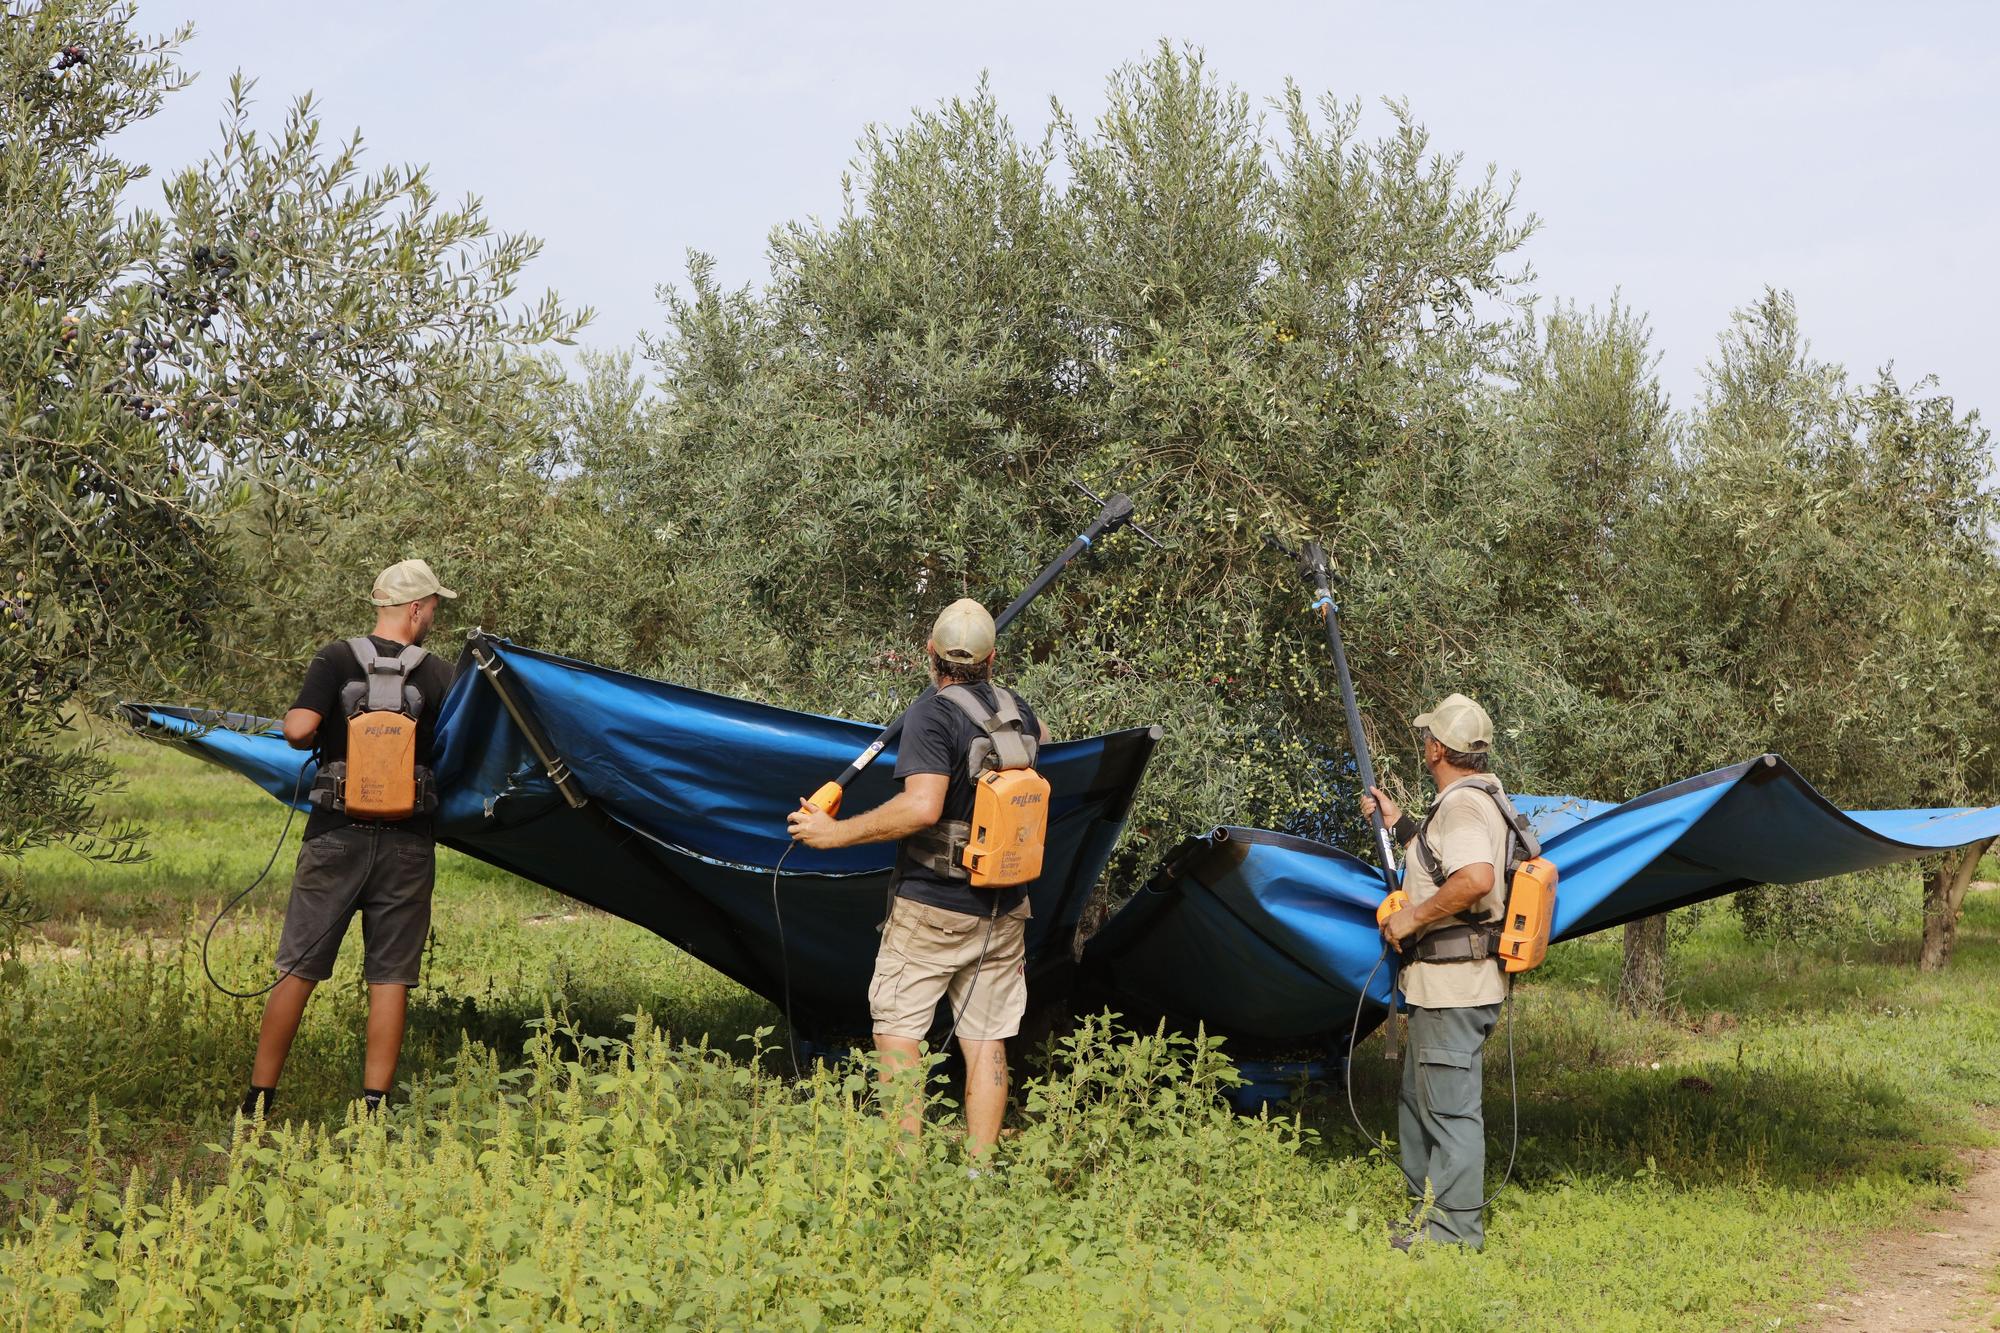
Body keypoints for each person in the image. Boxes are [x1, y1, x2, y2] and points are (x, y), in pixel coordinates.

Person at [787, 598, 1049, 1158]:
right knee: (986, 1040)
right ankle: (978, 1174)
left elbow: (923, 807)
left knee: (898, 1033)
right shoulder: (1019, 711)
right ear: (992, 658)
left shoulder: (932, 713)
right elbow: (1034, 752)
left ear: (930, 653)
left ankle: (903, 1175)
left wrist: (832, 834)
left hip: (932, 907)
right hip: (1005, 908)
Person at [238, 559, 458, 1119]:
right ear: (415, 609)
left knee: (299, 966)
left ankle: (259, 1101)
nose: (433, 616)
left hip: (334, 836)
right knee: (390, 974)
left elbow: (296, 731)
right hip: (408, 844)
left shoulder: (337, 658)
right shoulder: (439, 674)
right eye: (433, 607)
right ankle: (374, 1108)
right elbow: (458, 752)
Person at [1361, 692, 1514, 1251]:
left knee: (1450, 1112)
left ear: (1436, 748)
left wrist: (1410, 922)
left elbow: (1473, 877)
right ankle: (1427, 1219)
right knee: (1422, 1102)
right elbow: (1439, 860)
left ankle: (1452, 1236)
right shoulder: (1476, 799)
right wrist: (1400, 823)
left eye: (1427, 736)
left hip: (1453, 987)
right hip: (1442, 987)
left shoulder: (1465, 806)